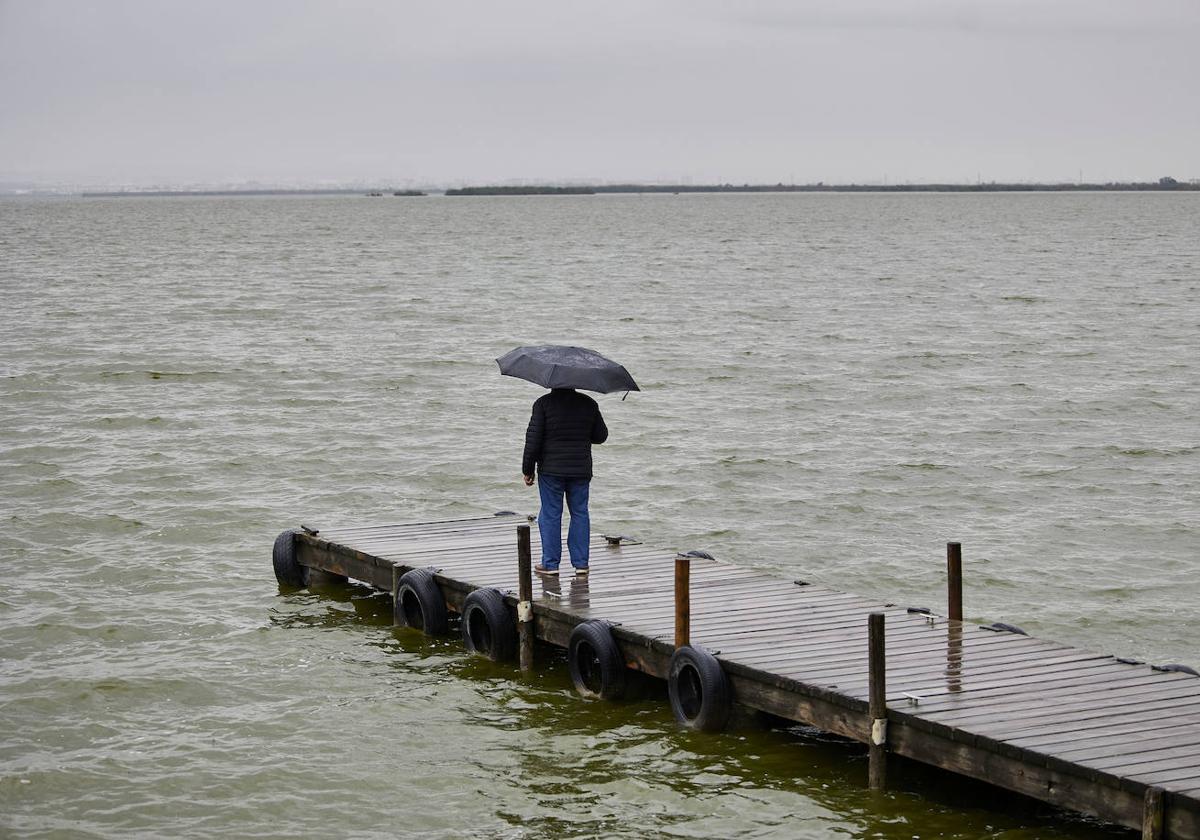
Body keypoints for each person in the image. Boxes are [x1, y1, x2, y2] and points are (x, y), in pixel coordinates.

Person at [521, 387, 608, 576]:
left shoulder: (543, 404)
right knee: (580, 513)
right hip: (580, 469)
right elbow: (601, 436)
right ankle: (581, 564)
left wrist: (527, 469)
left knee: (551, 514)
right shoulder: (589, 403)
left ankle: (550, 564)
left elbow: (533, 440)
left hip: (551, 470)